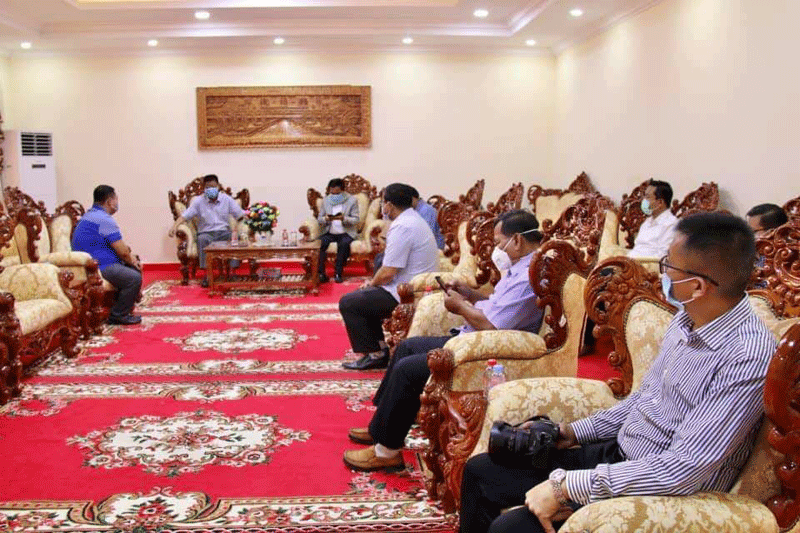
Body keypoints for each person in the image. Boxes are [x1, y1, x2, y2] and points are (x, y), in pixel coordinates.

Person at [459, 212, 776, 533]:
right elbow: (644, 398)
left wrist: (566, 487)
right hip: (621, 455)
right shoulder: (687, 319)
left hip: (661, 488)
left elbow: (684, 468)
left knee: (511, 528)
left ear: (696, 286)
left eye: (669, 265)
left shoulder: (746, 356)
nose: (663, 272)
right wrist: (571, 433)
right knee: (481, 471)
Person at [343, 210, 545, 472]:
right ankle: (381, 427)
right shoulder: (520, 267)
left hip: (487, 349)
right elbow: (498, 307)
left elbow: (491, 324)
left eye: (498, 243)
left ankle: (386, 452)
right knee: (406, 347)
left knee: (408, 370)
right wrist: (469, 295)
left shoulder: (528, 275)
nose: (497, 250)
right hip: (473, 337)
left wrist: (460, 306)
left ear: (516, 240)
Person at [340, 183, 439, 371]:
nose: (382, 208)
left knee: (350, 302)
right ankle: (379, 349)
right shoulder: (413, 219)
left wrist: (371, 284)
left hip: (408, 293)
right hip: (414, 287)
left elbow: (388, 272)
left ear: (389, 205)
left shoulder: (403, 226)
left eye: (383, 203)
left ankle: (376, 354)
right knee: (364, 299)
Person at [72, 185, 142, 326]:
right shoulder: (103, 219)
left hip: (91, 263)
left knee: (130, 269)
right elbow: (123, 252)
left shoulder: (90, 215)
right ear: (110, 201)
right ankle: (118, 315)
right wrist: (133, 261)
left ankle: (117, 307)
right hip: (98, 266)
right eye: (116, 199)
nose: (117, 202)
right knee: (134, 278)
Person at [168, 174, 245, 288]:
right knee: (202, 239)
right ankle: (207, 275)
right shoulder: (198, 201)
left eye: (213, 187)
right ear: (204, 188)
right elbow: (184, 216)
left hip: (224, 232)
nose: (211, 190)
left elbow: (240, 215)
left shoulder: (226, 199)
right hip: (206, 233)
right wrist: (174, 227)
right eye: (208, 187)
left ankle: (233, 273)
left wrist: (249, 223)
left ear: (218, 187)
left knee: (234, 238)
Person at [373, 186, 445, 271]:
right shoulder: (410, 215)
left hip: (428, 255)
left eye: (383, 203)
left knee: (383, 261)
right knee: (380, 257)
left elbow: (388, 271)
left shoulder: (425, 211)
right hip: (416, 254)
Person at [317, 178, 360, 284]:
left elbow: (356, 219)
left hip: (346, 232)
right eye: (331, 192)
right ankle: (321, 273)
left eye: (336, 192)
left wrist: (344, 218)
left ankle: (338, 274)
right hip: (330, 232)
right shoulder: (326, 200)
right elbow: (319, 219)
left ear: (342, 190)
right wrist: (326, 219)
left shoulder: (351, 200)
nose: (333, 195)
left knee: (343, 244)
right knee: (320, 244)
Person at [628, 179, 678, 258]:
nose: (643, 200)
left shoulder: (671, 224)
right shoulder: (647, 222)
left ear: (660, 202)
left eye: (647, 197)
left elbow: (663, 256)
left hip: (646, 264)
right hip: (631, 262)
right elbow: (637, 247)